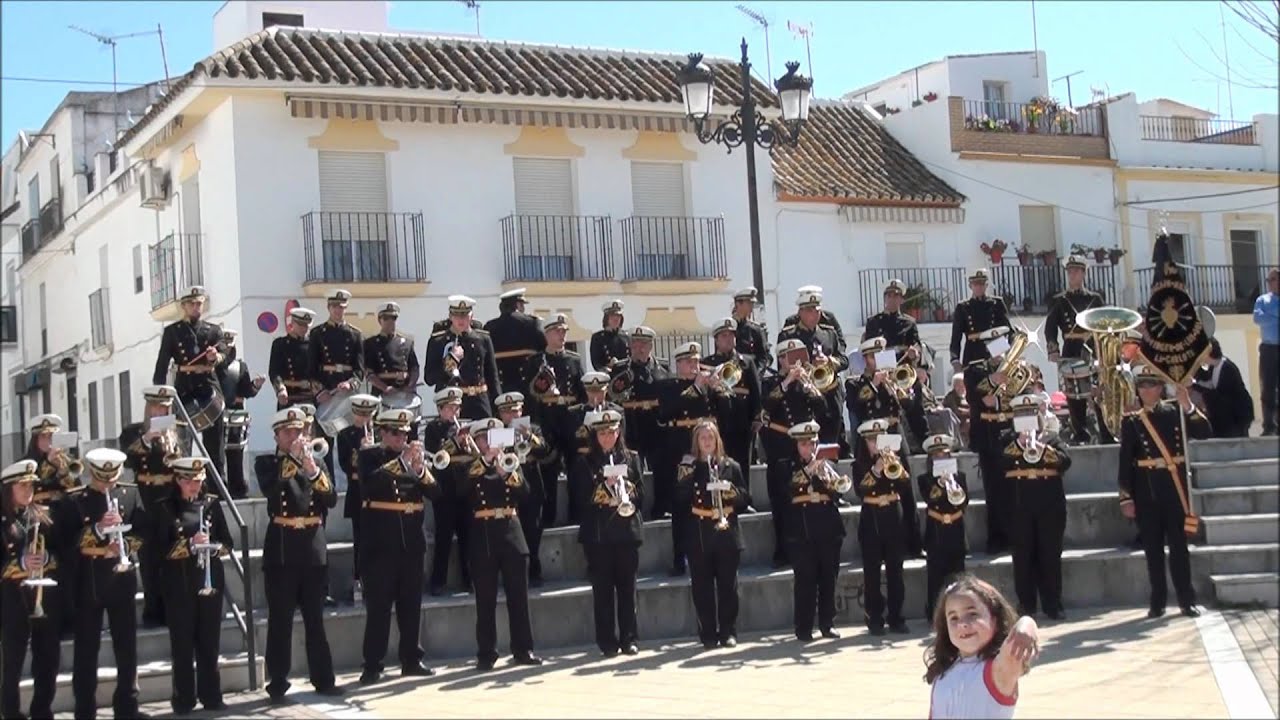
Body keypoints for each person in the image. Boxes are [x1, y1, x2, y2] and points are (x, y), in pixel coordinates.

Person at [254, 407, 343, 704]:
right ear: (277, 436)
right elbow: (272, 489)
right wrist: (293, 459)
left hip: (313, 548)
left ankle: (324, 679)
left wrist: (312, 468)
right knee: (280, 621)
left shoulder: (315, 463)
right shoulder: (266, 463)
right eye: (289, 432)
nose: (296, 437)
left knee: (315, 620)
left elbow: (329, 498)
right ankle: (277, 682)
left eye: (300, 432)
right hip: (282, 548)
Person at [356, 408, 440, 684]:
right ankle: (372, 664)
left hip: (412, 540)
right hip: (382, 541)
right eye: (396, 433)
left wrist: (420, 470)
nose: (402, 437)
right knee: (379, 606)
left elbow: (436, 493)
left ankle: (412, 659)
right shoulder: (369, 456)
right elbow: (370, 486)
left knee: (411, 604)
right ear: (382, 432)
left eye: (405, 433)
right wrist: (403, 463)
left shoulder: (413, 460)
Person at [1119, 366, 1210, 619]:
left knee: (1179, 547)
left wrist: (1188, 405)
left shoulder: (1175, 412)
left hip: (1174, 488)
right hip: (1146, 490)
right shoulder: (1133, 421)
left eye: (1151, 386)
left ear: (1160, 388)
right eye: (1142, 386)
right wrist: (1126, 496)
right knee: (1153, 549)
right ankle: (1157, 601)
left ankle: (1186, 600)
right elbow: (1125, 461)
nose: (1146, 391)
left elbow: (1204, 432)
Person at [460, 418, 543, 671]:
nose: (490, 443)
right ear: (477, 441)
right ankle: (486, 653)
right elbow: (460, 491)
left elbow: (527, 493)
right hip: (483, 534)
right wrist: (485, 463)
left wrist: (508, 474)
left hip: (511, 531)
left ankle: (523, 649)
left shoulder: (511, 463)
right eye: (484, 438)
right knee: (485, 600)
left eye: (493, 437)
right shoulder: (471, 466)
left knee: (519, 598)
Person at [70, 448, 144, 720]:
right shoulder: (77, 500)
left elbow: (144, 531)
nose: (109, 485)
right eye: (104, 479)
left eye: (112, 479)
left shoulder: (129, 494)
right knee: (87, 649)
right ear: (93, 473)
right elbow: (69, 540)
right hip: (90, 580)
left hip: (122, 576)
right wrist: (99, 530)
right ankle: (84, 709)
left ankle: (127, 705)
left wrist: (124, 544)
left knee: (127, 646)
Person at [157, 457, 234, 714]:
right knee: (182, 643)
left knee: (209, 641)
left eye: (199, 481)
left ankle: (211, 695)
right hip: (179, 581)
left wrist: (212, 545)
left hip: (208, 578)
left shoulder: (211, 504)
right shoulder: (165, 507)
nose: (195, 486)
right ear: (178, 480)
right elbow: (160, 549)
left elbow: (227, 542)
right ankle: (183, 698)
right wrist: (190, 545)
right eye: (189, 481)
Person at [571, 409, 644, 656]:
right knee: (602, 592)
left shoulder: (631, 458)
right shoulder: (585, 462)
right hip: (599, 535)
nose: (607, 438)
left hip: (626, 532)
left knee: (628, 589)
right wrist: (603, 485)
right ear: (595, 435)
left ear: (618, 432)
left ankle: (630, 638)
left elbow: (642, 496)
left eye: (612, 432)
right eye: (602, 433)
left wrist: (627, 489)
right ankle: (607, 642)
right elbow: (580, 499)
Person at [657, 342, 733, 576]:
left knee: (713, 500)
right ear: (678, 364)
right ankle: (679, 558)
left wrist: (720, 389)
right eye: (689, 362)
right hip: (682, 451)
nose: (695, 366)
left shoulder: (709, 387)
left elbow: (728, 414)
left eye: (696, 361)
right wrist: (697, 389)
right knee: (681, 508)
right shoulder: (668, 386)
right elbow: (666, 412)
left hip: (709, 451)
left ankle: (715, 553)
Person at [845, 336, 924, 558]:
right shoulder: (855, 383)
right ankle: (873, 544)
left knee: (905, 484)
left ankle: (914, 543)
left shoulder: (893, 378)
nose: (877, 360)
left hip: (893, 432)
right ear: (866, 359)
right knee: (872, 484)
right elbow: (855, 403)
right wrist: (875, 384)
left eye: (880, 356)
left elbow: (909, 403)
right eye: (873, 357)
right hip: (870, 438)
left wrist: (900, 388)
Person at [674, 421, 751, 649]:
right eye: (702, 438)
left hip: (727, 530)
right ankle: (708, 633)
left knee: (728, 586)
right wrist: (687, 475)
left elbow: (746, 499)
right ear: (696, 442)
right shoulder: (689, 467)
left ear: (717, 440)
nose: (707, 442)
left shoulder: (731, 466)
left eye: (710, 437)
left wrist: (731, 492)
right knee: (702, 587)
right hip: (700, 530)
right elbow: (679, 498)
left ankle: (728, 631)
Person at [924, 575, 1040, 720]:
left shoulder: (997, 672)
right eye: (953, 618)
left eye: (972, 614)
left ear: (995, 618)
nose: (962, 624)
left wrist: (1027, 624)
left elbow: (1014, 649)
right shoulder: (943, 674)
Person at [1, 459, 64, 720]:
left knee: (48, 657)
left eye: (31, 486)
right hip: (10, 598)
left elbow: (62, 552)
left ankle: (42, 708)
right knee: (12, 660)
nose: (29, 491)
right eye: (23, 486)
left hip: (41, 596)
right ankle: (10, 710)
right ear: (8, 488)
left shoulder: (41, 515)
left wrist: (47, 559)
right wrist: (21, 563)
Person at [1001, 396, 1072, 620]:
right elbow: (998, 462)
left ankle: (1053, 604)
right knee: (1022, 556)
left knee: (1050, 554)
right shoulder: (1006, 440)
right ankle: (1026, 605)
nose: (1026, 421)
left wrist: (1038, 446)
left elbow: (1065, 461)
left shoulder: (1052, 439)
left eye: (1030, 415)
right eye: (1021, 416)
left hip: (1049, 504)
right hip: (1019, 504)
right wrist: (1020, 444)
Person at [118, 385, 183, 628]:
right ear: (148, 408)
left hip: (169, 498)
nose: (161, 410)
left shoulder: (177, 433)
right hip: (144, 499)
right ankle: (152, 610)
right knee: (148, 558)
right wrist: (146, 439)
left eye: (165, 407)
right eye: (156, 406)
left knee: (171, 557)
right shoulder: (133, 432)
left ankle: (170, 609)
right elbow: (126, 458)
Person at [760, 339, 827, 569]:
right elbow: (766, 406)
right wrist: (788, 380)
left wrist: (810, 386)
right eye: (790, 356)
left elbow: (823, 410)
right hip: (782, 445)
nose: (796, 361)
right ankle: (782, 550)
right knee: (781, 503)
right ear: (781, 359)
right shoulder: (771, 382)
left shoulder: (806, 382)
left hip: (806, 447)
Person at [153, 285, 228, 484]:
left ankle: (217, 487)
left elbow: (224, 350)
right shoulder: (172, 332)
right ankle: (185, 484)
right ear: (184, 306)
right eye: (192, 304)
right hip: (184, 389)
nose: (196, 307)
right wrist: (159, 399)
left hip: (209, 388)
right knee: (183, 443)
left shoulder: (213, 330)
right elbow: (161, 366)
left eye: (199, 304)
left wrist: (215, 356)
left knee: (215, 445)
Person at [784, 420, 847, 641]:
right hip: (802, 529)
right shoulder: (787, 466)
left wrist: (828, 477)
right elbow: (789, 487)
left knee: (829, 578)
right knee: (805, 580)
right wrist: (811, 468)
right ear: (796, 445)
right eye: (804, 444)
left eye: (812, 443)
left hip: (828, 526)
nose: (808, 448)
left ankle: (827, 623)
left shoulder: (827, 466)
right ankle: (803, 627)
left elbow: (839, 493)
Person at [521, 312, 585, 528]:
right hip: (546, 419)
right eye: (558, 331)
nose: (562, 335)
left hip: (569, 419)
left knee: (576, 469)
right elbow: (529, 398)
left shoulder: (574, 360)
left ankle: (576, 515)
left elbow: (582, 395)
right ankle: (548, 518)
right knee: (547, 471)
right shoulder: (535, 361)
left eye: (564, 331)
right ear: (547, 334)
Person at [852, 418, 909, 635]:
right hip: (872, 517)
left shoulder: (895, 459)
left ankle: (897, 617)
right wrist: (876, 470)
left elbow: (904, 484)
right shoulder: (859, 464)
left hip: (893, 514)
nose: (875, 444)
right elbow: (860, 490)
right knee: (872, 572)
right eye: (871, 440)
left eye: (879, 439)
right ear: (865, 443)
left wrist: (895, 466)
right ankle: (874, 618)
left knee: (896, 569)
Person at [25, 414, 80, 637]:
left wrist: (62, 468)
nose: (49, 441)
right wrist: (49, 463)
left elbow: (74, 487)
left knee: (69, 567)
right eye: (44, 437)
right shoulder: (29, 463)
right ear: (36, 440)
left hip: (64, 515)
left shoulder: (64, 460)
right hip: (40, 518)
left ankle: (70, 618)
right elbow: (33, 483)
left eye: (53, 437)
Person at [964, 326, 1017, 555]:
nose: (998, 349)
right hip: (988, 434)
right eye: (993, 344)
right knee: (993, 489)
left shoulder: (1016, 368)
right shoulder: (976, 370)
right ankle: (996, 538)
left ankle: (1016, 535)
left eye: (1001, 343)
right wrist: (993, 380)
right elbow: (978, 397)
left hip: (1011, 431)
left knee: (1014, 488)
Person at [778, 287, 849, 454]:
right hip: (803, 397)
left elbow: (844, 360)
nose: (814, 314)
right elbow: (783, 366)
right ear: (800, 312)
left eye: (817, 310)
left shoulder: (829, 333)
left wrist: (830, 361)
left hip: (829, 395)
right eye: (809, 310)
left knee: (830, 440)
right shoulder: (788, 336)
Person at [494, 392, 554, 586]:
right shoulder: (497, 432)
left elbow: (545, 450)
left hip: (531, 483)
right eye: (507, 412)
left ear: (522, 410)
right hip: (508, 487)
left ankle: (534, 571)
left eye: (515, 410)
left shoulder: (533, 428)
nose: (512, 415)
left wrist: (529, 437)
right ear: (501, 415)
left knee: (533, 529)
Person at [1044, 255, 1105, 445]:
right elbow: (1050, 328)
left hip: (1092, 349)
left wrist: (1104, 351)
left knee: (1098, 392)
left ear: (1084, 273)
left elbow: (1103, 324)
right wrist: (1053, 349)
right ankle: (1080, 433)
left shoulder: (1095, 299)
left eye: (1076, 271)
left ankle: (1106, 431)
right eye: (1070, 272)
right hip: (1071, 349)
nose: (1072, 275)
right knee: (1074, 394)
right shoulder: (1059, 300)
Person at [308, 288, 365, 481]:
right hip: (326, 392)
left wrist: (351, 384)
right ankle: (327, 482)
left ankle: (353, 485)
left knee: (349, 442)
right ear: (328, 308)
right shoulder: (317, 333)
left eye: (341, 307)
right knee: (325, 444)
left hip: (346, 395)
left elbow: (359, 371)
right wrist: (319, 392)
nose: (338, 311)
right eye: (334, 307)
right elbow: (311, 368)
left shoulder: (355, 334)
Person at [422, 387, 472, 596]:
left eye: (457, 408)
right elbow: (435, 454)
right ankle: (437, 582)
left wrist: (469, 444)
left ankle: (470, 580)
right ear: (440, 409)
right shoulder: (433, 429)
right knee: (443, 537)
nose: (455, 413)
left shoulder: (467, 426)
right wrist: (455, 442)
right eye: (450, 408)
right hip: (445, 489)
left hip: (465, 487)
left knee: (468, 538)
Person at [616, 326, 671, 515]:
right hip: (632, 424)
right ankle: (633, 507)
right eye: (635, 344)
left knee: (662, 469)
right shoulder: (620, 369)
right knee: (632, 470)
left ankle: (662, 508)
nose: (639, 348)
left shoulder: (662, 368)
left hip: (655, 425)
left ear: (651, 346)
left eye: (644, 344)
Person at [701, 317, 763, 473]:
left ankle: (743, 496)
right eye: (724, 336)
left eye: (731, 335)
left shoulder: (746, 362)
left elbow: (756, 391)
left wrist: (757, 416)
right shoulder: (706, 363)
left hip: (742, 423)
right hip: (718, 423)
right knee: (718, 466)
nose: (728, 339)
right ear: (716, 340)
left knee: (742, 467)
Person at [424, 295, 501, 420]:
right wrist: (452, 358)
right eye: (456, 315)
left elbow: (492, 376)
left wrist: (498, 404)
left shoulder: (483, 339)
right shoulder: (438, 341)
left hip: (480, 399)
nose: (461, 319)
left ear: (471, 316)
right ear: (450, 316)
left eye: (465, 315)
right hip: (452, 402)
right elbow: (430, 378)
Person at [918, 434, 969, 619]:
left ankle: (961, 611)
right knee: (936, 576)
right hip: (936, 529)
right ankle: (934, 613)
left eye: (944, 455)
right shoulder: (924, 479)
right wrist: (941, 483)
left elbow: (964, 502)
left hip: (956, 527)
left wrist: (952, 483)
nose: (941, 459)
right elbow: (930, 498)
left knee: (958, 574)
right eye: (936, 456)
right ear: (931, 459)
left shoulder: (960, 477)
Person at [336, 394, 380, 601]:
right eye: (362, 414)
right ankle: (359, 579)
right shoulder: (345, 435)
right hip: (357, 490)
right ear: (355, 413)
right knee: (360, 539)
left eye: (369, 415)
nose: (365, 419)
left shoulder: (380, 433)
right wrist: (361, 451)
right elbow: (346, 465)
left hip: (378, 491)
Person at [218, 328, 266, 498]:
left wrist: (256, 385)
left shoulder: (240, 366)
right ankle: (218, 489)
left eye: (230, 345)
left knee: (235, 453)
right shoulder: (212, 366)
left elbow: (247, 391)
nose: (227, 348)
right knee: (216, 454)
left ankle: (237, 489)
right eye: (224, 345)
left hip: (235, 413)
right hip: (216, 413)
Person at [363, 302, 422, 428]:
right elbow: (369, 372)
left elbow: (415, 368)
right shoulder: (371, 343)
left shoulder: (407, 342)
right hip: (382, 392)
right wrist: (385, 388)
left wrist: (411, 385)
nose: (390, 322)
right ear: (379, 320)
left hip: (405, 392)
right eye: (386, 318)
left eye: (393, 318)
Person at [484, 288, 546, 394]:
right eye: (522, 305)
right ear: (518, 305)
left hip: (500, 387)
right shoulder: (532, 323)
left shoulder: (489, 327)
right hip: (528, 387)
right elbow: (544, 350)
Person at [949, 269, 1011, 370]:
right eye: (975, 284)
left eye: (982, 284)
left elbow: (1008, 331)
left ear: (986, 285)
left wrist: (1002, 352)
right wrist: (955, 360)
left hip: (994, 351)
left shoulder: (997, 303)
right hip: (972, 353)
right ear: (970, 286)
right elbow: (956, 337)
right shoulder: (963, 307)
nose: (979, 287)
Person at [1192, 339, 1255, 438]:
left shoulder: (1228, 369)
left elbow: (1218, 395)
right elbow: (1206, 381)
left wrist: (1194, 386)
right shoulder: (1214, 367)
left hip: (1237, 416)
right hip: (1227, 417)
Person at [863, 278, 924, 369]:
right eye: (889, 296)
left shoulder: (909, 323)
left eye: (896, 296)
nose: (892, 299)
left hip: (904, 369)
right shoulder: (873, 322)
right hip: (880, 369)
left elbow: (916, 346)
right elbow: (867, 349)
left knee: (921, 383)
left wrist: (914, 354)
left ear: (901, 300)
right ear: (885, 299)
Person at [270, 307, 319, 410]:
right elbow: (274, 372)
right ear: (292, 322)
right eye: (300, 325)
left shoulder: (314, 344)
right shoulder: (280, 344)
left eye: (306, 325)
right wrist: (280, 389)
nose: (304, 328)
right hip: (289, 397)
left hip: (311, 398)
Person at [1254, 268, 1280, 435]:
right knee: (1268, 387)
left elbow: (1266, 317)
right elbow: (1258, 318)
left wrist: (1270, 315)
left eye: (1272, 279)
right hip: (1269, 348)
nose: (1269, 283)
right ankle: (1268, 425)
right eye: (1268, 280)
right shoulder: (1262, 300)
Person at [730, 287, 772, 375]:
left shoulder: (755, 330)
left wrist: (756, 374)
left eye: (752, 303)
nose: (751, 307)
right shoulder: (727, 328)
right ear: (738, 304)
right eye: (749, 303)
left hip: (752, 376)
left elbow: (763, 357)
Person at [590, 299, 630, 372]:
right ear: (606, 318)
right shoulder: (598, 338)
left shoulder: (627, 336)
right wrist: (609, 365)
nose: (616, 319)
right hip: (608, 377)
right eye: (612, 316)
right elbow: (596, 364)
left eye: (618, 316)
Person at [943, 372, 971, 446]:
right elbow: (956, 411)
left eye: (962, 385)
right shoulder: (950, 397)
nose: (961, 387)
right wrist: (969, 412)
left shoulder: (968, 395)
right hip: (957, 421)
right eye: (958, 385)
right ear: (954, 386)